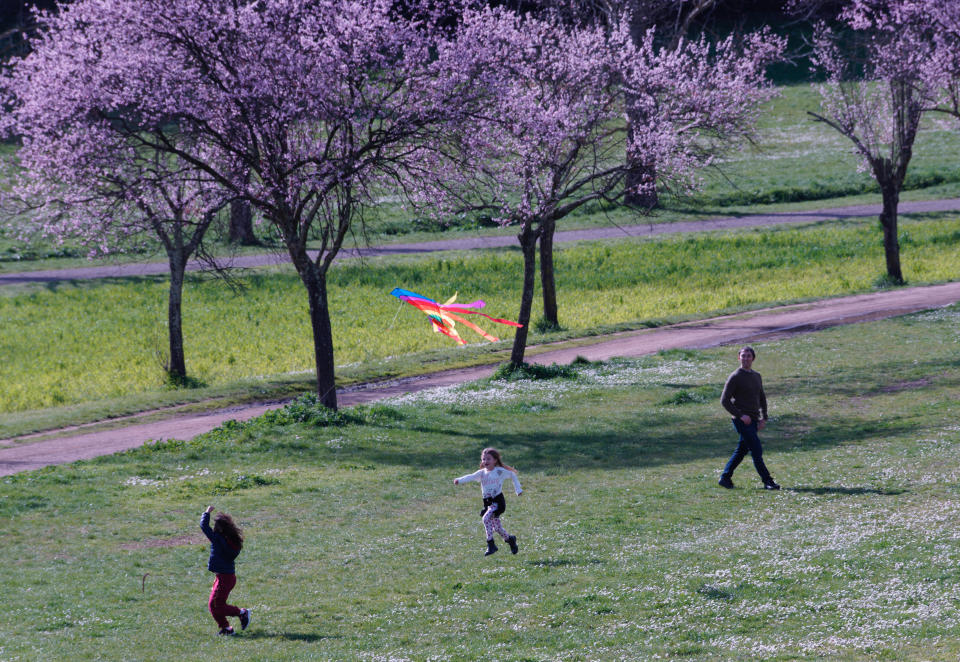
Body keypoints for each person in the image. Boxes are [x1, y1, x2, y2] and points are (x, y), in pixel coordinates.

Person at [718, 346, 780, 490]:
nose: (746, 358)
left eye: (748, 356)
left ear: (753, 358)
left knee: (742, 450)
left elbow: (762, 397)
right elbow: (724, 400)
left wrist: (764, 417)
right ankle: (768, 481)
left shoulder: (757, 376)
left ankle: (725, 477)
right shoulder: (735, 376)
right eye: (743, 356)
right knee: (756, 450)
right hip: (741, 420)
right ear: (739, 357)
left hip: (754, 419)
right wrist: (741, 415)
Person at [454, 448, 523, 556]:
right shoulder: (482, 473)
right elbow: (471, 476)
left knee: (485, 519)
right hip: (488, 503)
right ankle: (510, 540)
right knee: (497, 528)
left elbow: (512, 475)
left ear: (495, 460)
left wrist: (518, 489)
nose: (485, 461)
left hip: (498, 502)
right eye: (483, 459)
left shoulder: (499, 471)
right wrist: (459, 480)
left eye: (488, 459)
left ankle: (491, 545)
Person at [200, 505, 251, 635]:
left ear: (221, 528)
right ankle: (226, 629)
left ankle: (242, 613)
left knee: (217, 605)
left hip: (224, 579)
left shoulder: (218, 540)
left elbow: (204, 527)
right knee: (214, 605)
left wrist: (207, 513)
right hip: (226, 577)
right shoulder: (231, 541)